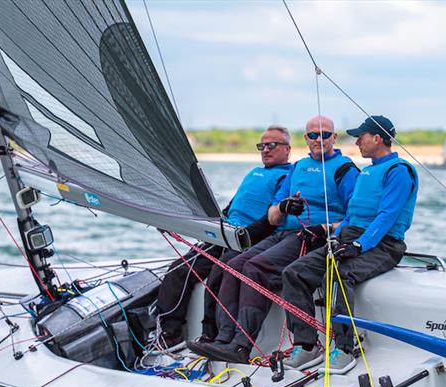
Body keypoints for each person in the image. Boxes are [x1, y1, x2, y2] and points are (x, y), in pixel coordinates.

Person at [189, 115, 360, 363]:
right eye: (313, 135)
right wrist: (284, 207)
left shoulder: (345, 170)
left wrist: (326, 227)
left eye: (324, 135)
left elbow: (354, 217)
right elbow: (272, 213)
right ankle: (223, 339)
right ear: (306, 138)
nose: (318, 140)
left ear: (334, 137)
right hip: (284, 232)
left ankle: (241, 346)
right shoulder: (298, 168)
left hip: (313, 236)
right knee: (232, 265)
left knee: (255, 267)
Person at [281, 115, 418, 371]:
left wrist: (359, 246)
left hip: (384, 244)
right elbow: (352, 215)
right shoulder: (367, 171)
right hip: (350, 236)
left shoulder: (398, 171)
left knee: (338, 274)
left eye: (361, 137)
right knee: (294, 272)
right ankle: (307, 345)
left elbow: (386, 217)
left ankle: (344, 348)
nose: (356, 142)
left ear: (377, 138)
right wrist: (336, 238)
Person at [152, 126, 293, 350]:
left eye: (272, 145)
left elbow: (273, 218)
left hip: (248, 239)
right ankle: (170, 332)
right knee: (178, 269)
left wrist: (243, 237)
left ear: (287, 148)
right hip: (224, 234)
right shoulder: (254, 173)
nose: (265, 150)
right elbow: (231, 207)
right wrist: (209, 227)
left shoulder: (288, 176)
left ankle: (210, 335)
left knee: (219, 274)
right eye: (261, 146)